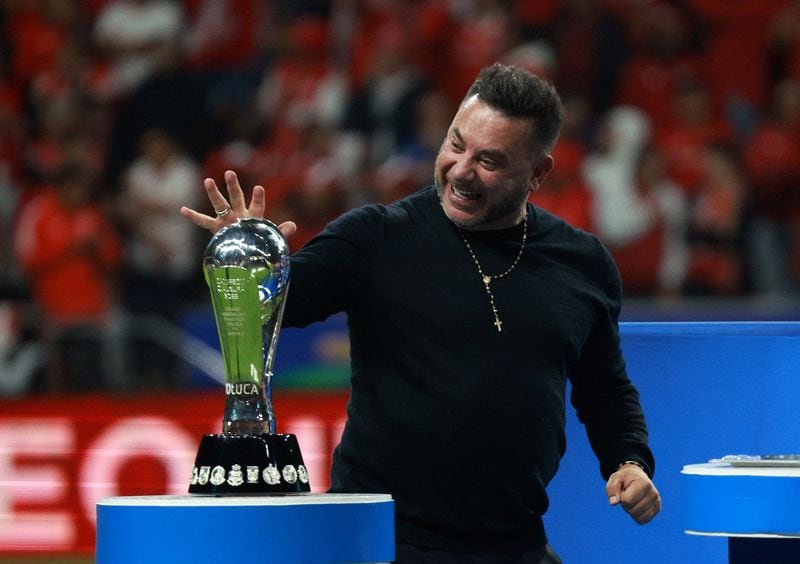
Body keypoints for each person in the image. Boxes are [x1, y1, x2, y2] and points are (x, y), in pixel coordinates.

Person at [181, 63, 661, 563]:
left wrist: (628, 460)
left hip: (517, 543)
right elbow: (277, 308)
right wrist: (250, 257)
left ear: (537, 173)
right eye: (456, 144)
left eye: (489, 161)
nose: (460, 170)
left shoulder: (582, 262)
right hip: (384, 544)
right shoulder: (377, 237)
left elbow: (605, 388)